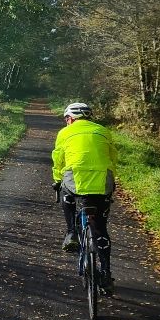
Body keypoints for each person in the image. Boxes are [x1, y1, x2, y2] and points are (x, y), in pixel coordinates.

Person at [52, 102, 118, 292]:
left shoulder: (65, 133)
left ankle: (71, 231)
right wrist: (111, 179)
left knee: (66, 190)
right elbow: (113, 157)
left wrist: (56, 180)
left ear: (70, 119)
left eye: (66, 119)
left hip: (75, 179)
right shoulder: (103, 131)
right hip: (102, 181)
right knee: (100, 228)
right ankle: (105, 272)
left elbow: (58, 159)